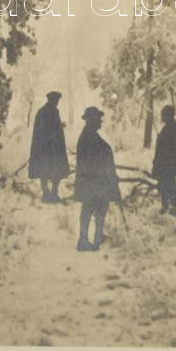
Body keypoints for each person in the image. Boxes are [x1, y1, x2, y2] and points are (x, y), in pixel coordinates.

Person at [74, 106, 121, 251]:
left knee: (99, 206)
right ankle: (84, 240)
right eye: (98, 119)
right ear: (91, 120)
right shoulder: (88, 137)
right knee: (89, 208)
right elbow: (92, 160)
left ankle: (97, 237)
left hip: (95, 181)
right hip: (92, 181)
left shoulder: (90, 135)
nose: (100, 121)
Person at [28, 91, 70, 203]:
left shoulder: (49, 111)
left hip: (51, 148)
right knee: (47, 170)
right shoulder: (45, 112)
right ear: (51, 100)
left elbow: (52, 126)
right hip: (47, 149)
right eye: (56, 100)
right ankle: (48, 193)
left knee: (52, 170)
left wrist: (60, 125)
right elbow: (42, 129)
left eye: (57, 101)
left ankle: (51, 193)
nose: (57, 102)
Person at [152, 105, 176, 216]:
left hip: (167, 165)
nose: (161, 116)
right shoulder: (175, 129)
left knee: (167, 186)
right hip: (168, 165)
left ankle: (170, 208)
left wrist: (157, 164)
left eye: (163, 114)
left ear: (168, 115)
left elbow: (166, 150)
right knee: (167, 185)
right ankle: (169, 207)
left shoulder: (171, 130)